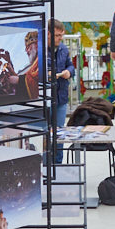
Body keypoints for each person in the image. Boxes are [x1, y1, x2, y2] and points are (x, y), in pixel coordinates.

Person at [49, 19, 76, 164]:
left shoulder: (63, 50)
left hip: (61, 98)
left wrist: (68, 72)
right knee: (47, 133)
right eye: (57, 35)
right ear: (48, 34)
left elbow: (71, 66)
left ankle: (58, 164)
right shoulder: (40, 51)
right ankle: (46, 164)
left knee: (60, 133)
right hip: (46, 99)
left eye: (61, 35)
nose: (60, 38)